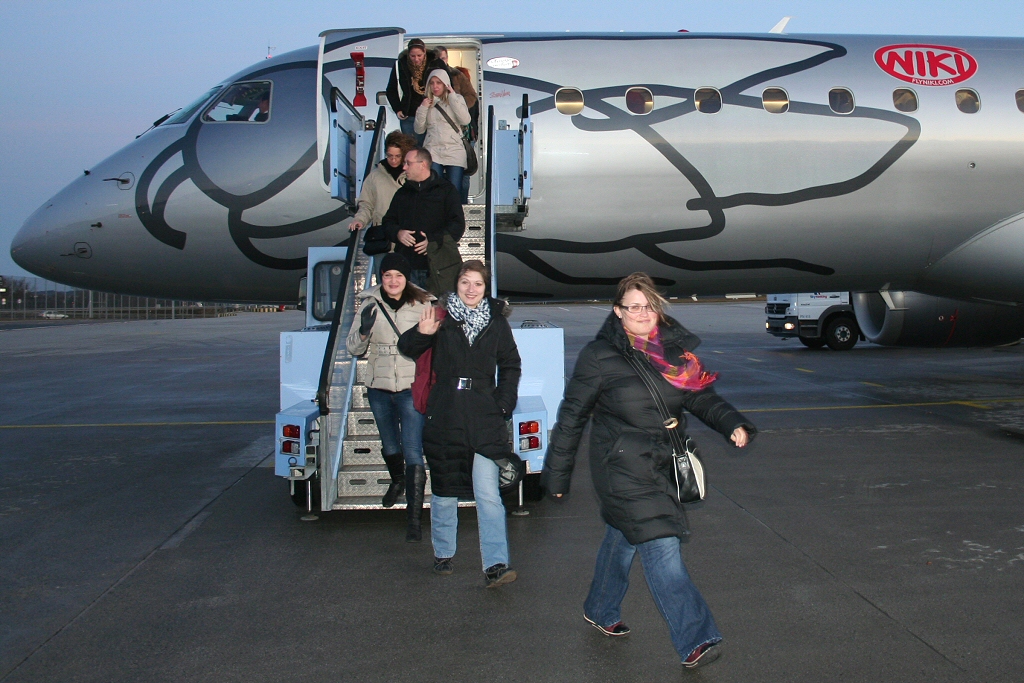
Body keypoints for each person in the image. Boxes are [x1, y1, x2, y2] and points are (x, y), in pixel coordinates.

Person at [541, 272, 756, 672]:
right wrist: (556, 475)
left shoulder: (672, 351)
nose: (642, 313)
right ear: (617, 312)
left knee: (624, 536)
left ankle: (600, 607)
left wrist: (731, 423)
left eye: (648, 306)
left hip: (661, 462)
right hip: (619, 466)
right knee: (661, 543)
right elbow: (572, 417)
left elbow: (699, 396)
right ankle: (696, 638)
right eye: (633, 307)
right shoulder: (599, 356)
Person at [397, 261, 522, 587]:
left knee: (488, 493)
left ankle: (496, 564)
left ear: (485, 288)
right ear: (457, 285)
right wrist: (421, 335)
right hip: (446, 412)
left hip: (484, 414)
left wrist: (503, 403)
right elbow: (406, 348)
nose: (471, 289)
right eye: (465, 282)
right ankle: (443, 554)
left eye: (477, 283)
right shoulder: (441, 317)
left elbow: (511, 363)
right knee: (444, 489)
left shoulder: (496, 322)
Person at [346, 253, 433, 541]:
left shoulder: (423, 304)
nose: (393, 281)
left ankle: (414, 519)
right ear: (380, 277)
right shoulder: (369, 304)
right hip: (379, 386)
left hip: (410, 385)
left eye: (398, 276)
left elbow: (434, 344)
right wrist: (363, 331)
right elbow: (354, 349)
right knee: (390, 444)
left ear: (406, 278)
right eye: (387, 276)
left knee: (412, 449)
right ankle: (397, 481)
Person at [382, 147, 465, 296]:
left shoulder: (446, 190)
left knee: (438, 309)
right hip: (408, 267)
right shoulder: (402, 193)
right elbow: (388, 222)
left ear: (423, 165)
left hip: (439, 268)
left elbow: (457, 225)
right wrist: (398, 233)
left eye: (408, 163)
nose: (404, 167)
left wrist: (432, 241)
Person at [415, 69, 471, 204]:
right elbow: (419, 129)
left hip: (454, 150)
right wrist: (423, 108)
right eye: (432, 83)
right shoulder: (426, 103)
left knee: (454, 190)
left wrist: (452, 97)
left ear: (446, 84)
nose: (435, 86)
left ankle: (454, 216)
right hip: (433, 149)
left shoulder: (457, 99)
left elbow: (465, 120)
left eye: (439, 83)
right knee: (434, 189)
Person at [348, 131, 416, 234]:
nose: (393, 160)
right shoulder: (374, 177)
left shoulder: (413, 175)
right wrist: (359, 220)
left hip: (408, 232)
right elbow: (366, 204)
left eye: (398, 156)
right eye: (390, 156)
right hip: (383, 232)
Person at [386, 38, 429, 144]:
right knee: (410, 146)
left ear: (424, 52)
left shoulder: (433, 65)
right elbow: (391, 90)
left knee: (428, 147)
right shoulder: (400, 65)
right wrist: (398, 109)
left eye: (419, 55)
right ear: (408, 54)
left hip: (429, 114)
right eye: (412, 56)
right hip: (409, 115)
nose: (416, 59)